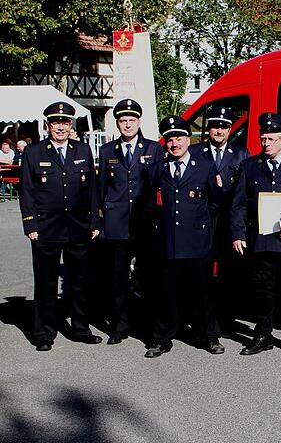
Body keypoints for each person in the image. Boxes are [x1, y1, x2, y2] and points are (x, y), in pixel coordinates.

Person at [20, 101, 101, 351]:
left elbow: (92, 191)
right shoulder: (34, 152)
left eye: (65, 122)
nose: (61, 127)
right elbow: (27, 191)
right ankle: (44, 333)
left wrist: (95, 221)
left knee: (80, 281)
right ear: (48, 125)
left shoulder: (83, 150)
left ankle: (80, 328)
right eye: (56, 122)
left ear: (71, 125)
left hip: (78, 226)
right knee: (45, 283)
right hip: (47, 228)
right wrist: (30, 224)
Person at [231, 112, 281, 356]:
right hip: (262, 238)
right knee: (263, 290)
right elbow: (238, 205)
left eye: (270, 139)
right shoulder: (249, 167)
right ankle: (263, 335)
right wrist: (238, 234)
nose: (265, 143)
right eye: (263, 138)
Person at [143, 115, 224, 358]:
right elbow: (149, 206)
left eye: (179, 137)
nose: (174, 143)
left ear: (189, 140)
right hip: (167, 241)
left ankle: (208, 336)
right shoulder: (155, 170)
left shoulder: (205, 167)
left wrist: (198, 224)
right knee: (165, 293)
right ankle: (162, 338)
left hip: (196, 242)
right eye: (169, 139)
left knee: (202, 293)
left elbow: (215, 201)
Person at [98, 99, 163, 345]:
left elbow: (159, 185)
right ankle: (119, 326)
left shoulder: (154, 149)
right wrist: (98, 220)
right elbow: (100, 188)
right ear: (118, 123)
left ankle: (147, 326)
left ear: (138, 122)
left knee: (147, 277)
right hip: (116, 223)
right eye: (123, 121)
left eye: (131, 120)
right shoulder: (107, 151)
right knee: (117, 279)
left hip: (145, 223)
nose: (127, 125)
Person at [190, 106, 249, 336]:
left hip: (228, 222)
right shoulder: (195, 153)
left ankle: (226, 320)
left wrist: (239, 230)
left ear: (230, 128)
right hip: (202, 222)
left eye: (224, 126)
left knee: (228, 275)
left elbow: (242, 195)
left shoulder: (241, 154)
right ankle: (200, 320)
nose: (219, 130)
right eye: (215, 125)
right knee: (201, 274)